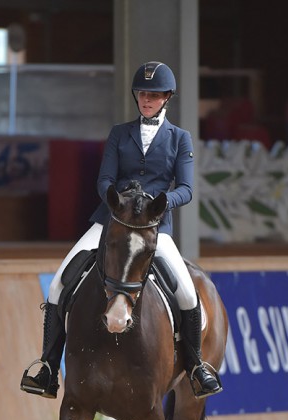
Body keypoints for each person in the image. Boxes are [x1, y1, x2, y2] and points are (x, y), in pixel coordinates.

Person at [20, 61, 222, 400]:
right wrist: (117, 201)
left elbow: (187, 189)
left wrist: (160, 202)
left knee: (187, 294)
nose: (147, 99)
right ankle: (49, 368)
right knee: (58, 284)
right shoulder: (119, 133)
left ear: (166, 98)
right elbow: (104, 180)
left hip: (154, 227)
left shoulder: (179, 139)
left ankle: (198, 367)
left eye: (154, 95)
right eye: (143, 94)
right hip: (110, 222)